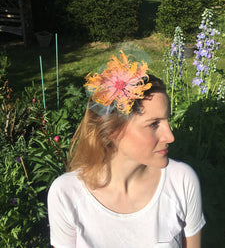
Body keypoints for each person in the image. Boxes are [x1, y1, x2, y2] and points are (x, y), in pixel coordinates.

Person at [48, 48, 206, 248]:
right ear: (112, 131)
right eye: (153, 124)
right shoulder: (66, 194)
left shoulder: (181, 181)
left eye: (167, 121)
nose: (170, 136)